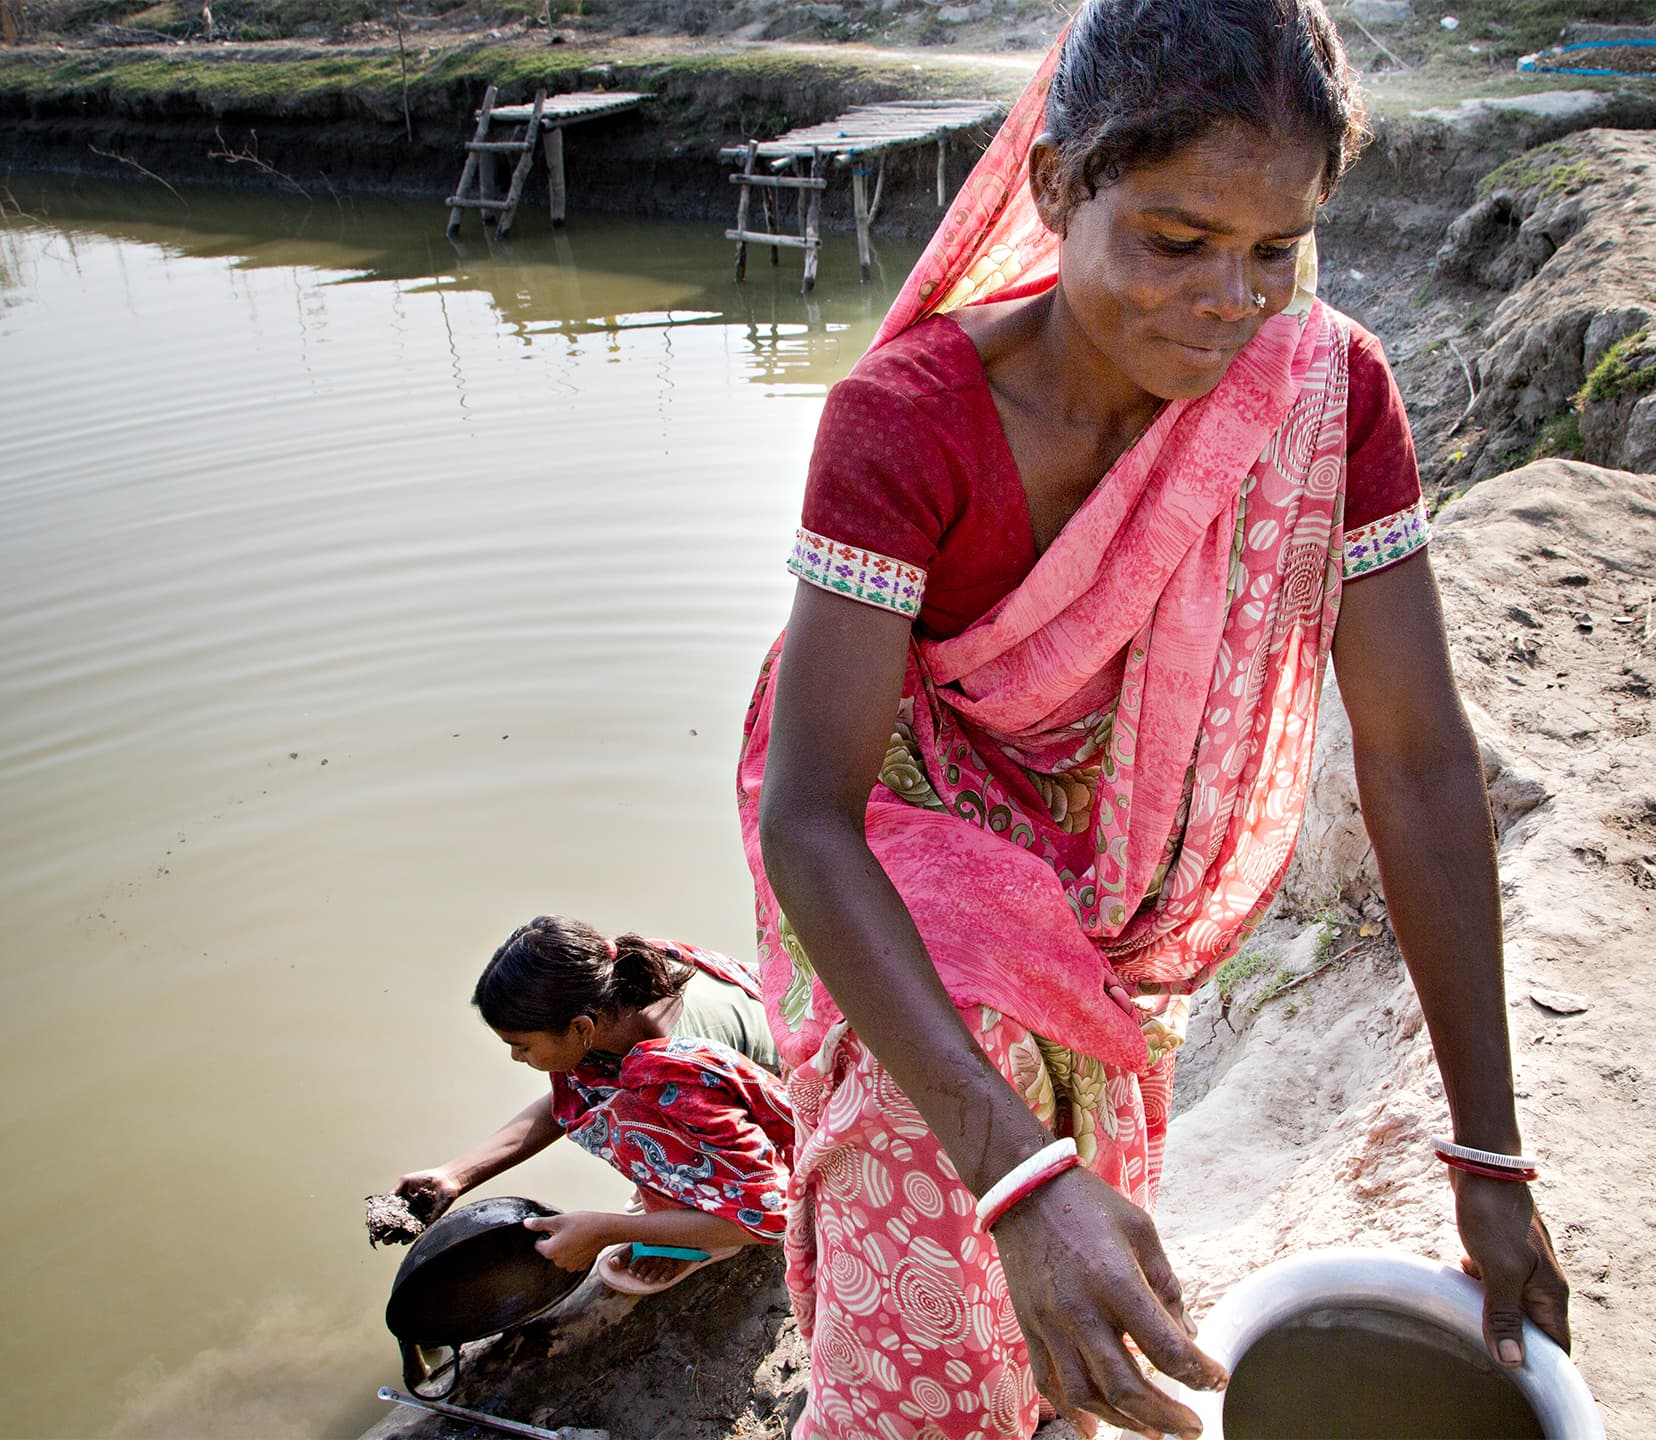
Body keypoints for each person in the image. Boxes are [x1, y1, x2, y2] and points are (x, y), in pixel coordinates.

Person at [736, 0, 1573, 1435]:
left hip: (1108, 906)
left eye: (1275, 252)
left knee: (1073, 1286)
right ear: (1057, 184)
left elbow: (1420, 757)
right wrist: (1010, 1174)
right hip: (904, 883)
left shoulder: (1323, 395)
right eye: (1177, 242)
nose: (1228, 305)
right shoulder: (909, 422)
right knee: (936, 1306)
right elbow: (807, 814)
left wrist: (1489, 1161)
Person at [395, 916, 794, 1291]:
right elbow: (572, 1094)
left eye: (522, 1046)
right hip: (753, 1054)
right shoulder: (617, 984)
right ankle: (682, 1198)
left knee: (629, 1122)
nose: (516, 1058)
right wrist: (455, 1176)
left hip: (789, 1106)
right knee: (606, 1098)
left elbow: (771, 1217)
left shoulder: (676, 1076)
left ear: (579, 1028)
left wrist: (606, 1229)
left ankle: (704, 1230)